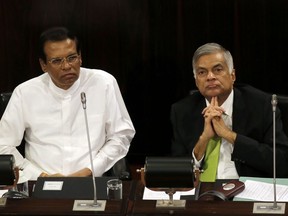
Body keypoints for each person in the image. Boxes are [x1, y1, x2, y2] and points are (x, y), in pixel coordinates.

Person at [0, 27, 135, 181]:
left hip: (92, 182)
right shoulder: (25, 93)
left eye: (72, 57)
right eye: (57, 61)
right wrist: (38, 175)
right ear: (43, 65)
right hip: (39, 184)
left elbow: (121, 135)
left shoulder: (104, 83)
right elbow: (3, 145)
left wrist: (90, 170)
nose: (66, 66)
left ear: (80, 57)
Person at [170, 42, 288, 180]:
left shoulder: (261, 105)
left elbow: (281, 162)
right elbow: (176, 169)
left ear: (233, 75)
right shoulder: (182, 111)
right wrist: (204, 139)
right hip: (202, 192)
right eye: (202, 72)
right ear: (196, 81)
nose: (210, 77)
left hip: (246, 190)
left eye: (217, 70)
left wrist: (229, 135)